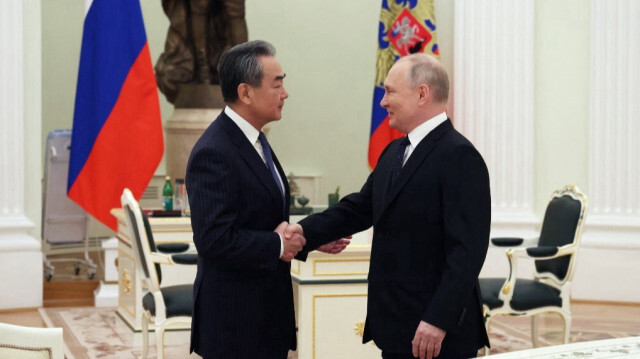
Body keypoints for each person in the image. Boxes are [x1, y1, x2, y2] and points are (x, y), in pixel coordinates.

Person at [286, 53, 491, 359]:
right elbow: (359, 208)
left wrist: (438, 319)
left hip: (436, 332)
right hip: (395, 323)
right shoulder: (395, 150)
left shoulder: (459, 156)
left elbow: (467, 251)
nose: (382, 102)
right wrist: (302, 231)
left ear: (422, 94)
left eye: (390, 91)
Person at [185, 40, 348, 358]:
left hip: (264, 317)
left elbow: (263, 219)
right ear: (246, 92)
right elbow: (214, 239)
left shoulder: (255, 140)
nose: (285, 94)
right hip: (235, 323)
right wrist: (277, 245)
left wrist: (305, 240)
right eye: (277, 84)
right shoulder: (214, 151)